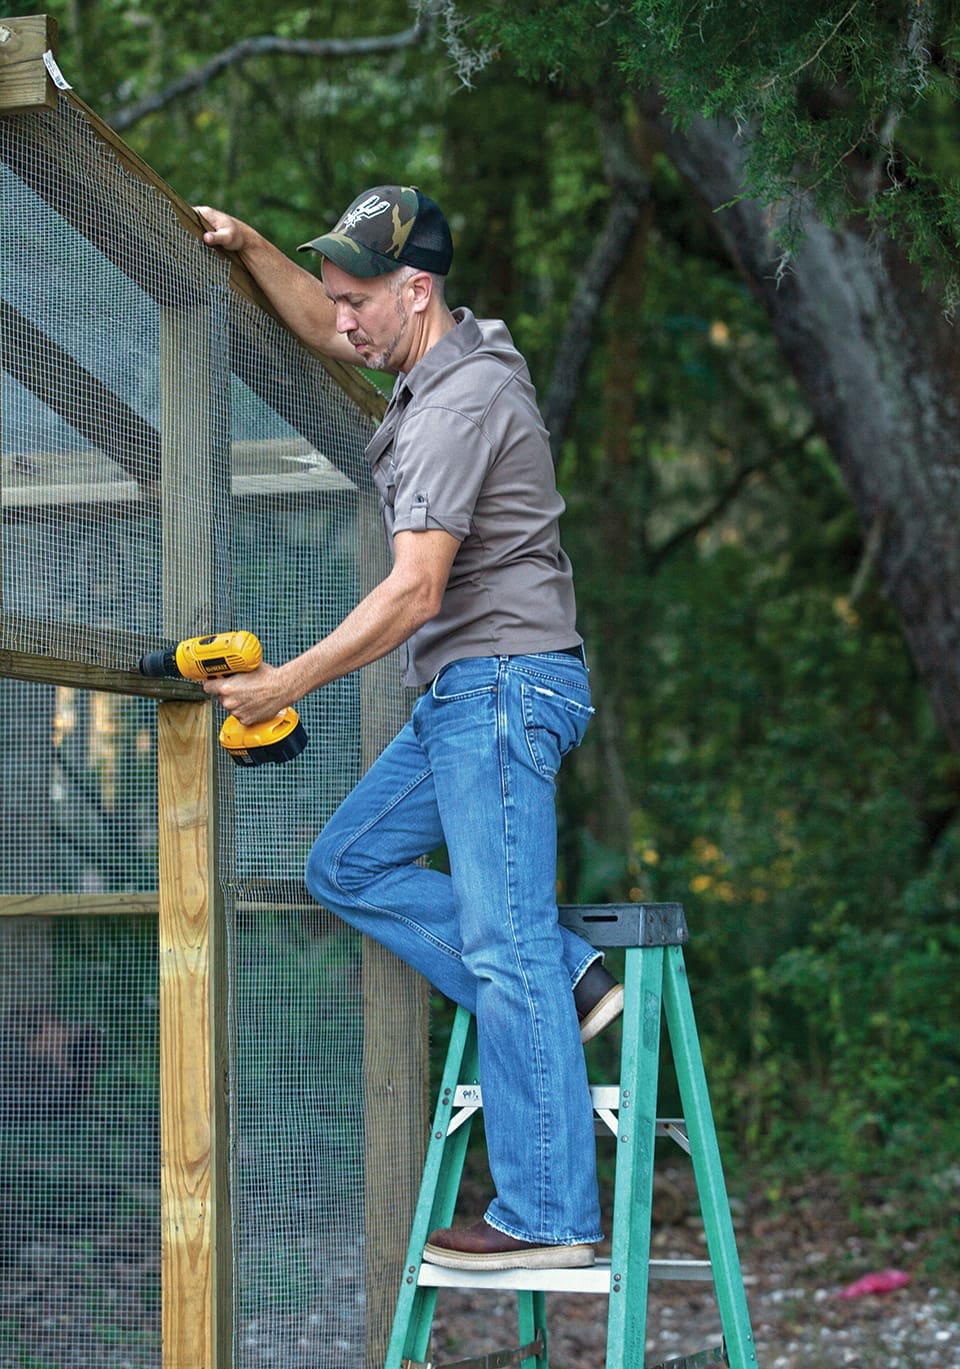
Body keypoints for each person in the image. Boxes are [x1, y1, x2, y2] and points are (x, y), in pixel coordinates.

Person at [195, 186, 623, 1271]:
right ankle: (567, 977)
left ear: (415, 291)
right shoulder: (440, 355)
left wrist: (285, 681)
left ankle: (549, 1218)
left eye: (358, 303)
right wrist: (247, 248)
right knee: (348, 861)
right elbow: (316, 315)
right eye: (337, 298)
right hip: (468, 695)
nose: (341, 323)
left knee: (499, 940)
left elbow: (413, 592)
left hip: (500, 686)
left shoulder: (452, 408)